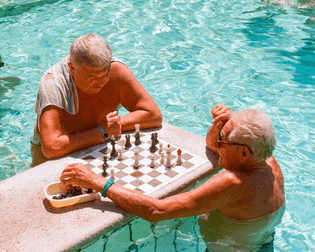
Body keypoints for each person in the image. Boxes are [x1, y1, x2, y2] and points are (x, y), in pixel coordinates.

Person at [60, 104, 285, 252]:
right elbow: (211, 145)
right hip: (262, 244)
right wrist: (219, 126)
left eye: (223, 141)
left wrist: (99, 182)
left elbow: (157, 211)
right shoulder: (268, 162)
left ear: (244, 153)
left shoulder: (233, 183)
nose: (218, 145)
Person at [31, 33, 162, 167]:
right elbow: (51, 148)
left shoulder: (116, 70)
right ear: (72, 68)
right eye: (92, 76)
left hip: (96, 144)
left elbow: (153, 115)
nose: (101, 82)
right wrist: (101, 132)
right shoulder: (53, 83)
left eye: (105, 73)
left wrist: (111, 126)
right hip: (55, 154)